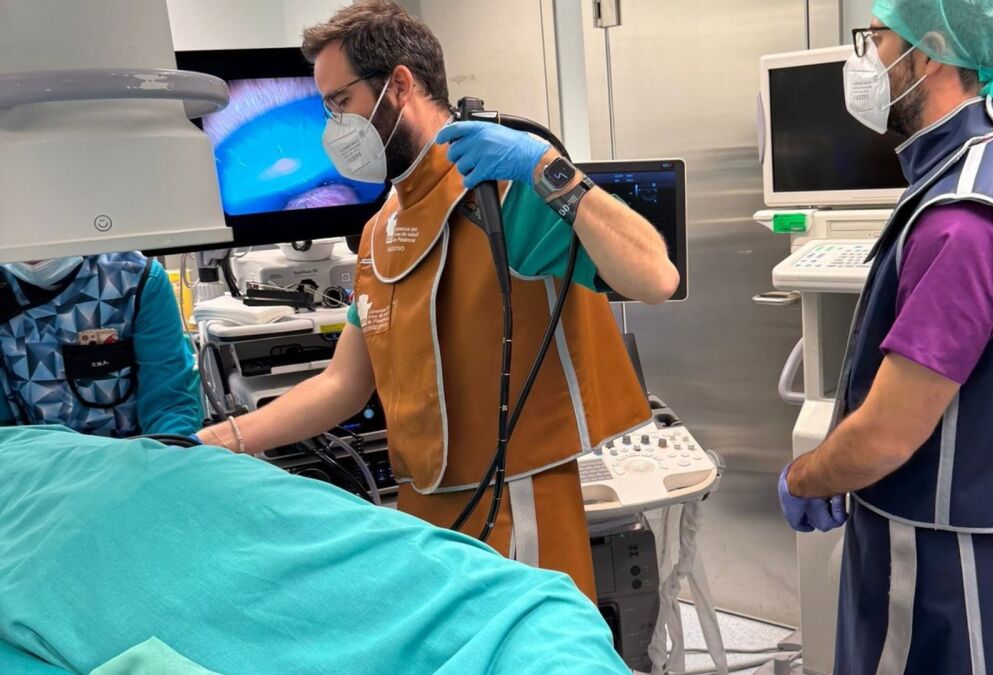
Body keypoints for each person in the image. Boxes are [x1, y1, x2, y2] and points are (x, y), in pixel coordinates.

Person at [197, 0, 678, 600]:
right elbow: (345, 384)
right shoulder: (381, 231)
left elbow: (654, 278)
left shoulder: (504, 194)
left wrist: (548, 169)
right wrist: (218, 442)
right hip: (424, 507)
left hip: (518, 505)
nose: (332, 127)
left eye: (340, 101)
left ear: (399, 85)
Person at [778, 1, 993, 673]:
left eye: (877, 38)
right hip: (949, 545)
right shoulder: (991, 155)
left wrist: (805, 476)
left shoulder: (963, 219)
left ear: (928, 52)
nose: (866, 58)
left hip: (932, 565)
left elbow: (887, 437)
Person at [0, 425, 630, 674]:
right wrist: (208, 442)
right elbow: (342, 384)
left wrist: (559, 185)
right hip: (138, 478)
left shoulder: (516, 211)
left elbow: (528, 611)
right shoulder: (380, 245)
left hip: (175, 483)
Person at [0, 253, 203, 437]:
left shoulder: (135, 278)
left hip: (133, 455)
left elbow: (167, 404)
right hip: (37, 457)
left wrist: (166, 457)